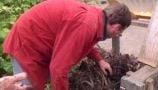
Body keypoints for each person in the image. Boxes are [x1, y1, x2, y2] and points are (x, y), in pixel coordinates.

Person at [3, 0, 131, 90]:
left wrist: (99, 60)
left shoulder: (96, 18)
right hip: (26, 45)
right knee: (28, 87)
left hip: (36, 41)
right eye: (119, 32)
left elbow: (80, 42)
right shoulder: (87, 25)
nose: (117, 35)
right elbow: (58, 69)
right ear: (117, 27)